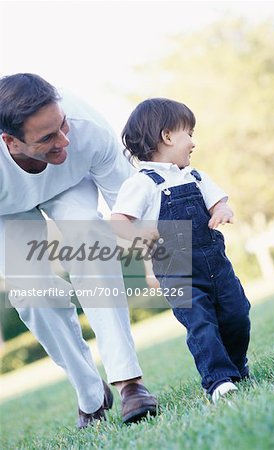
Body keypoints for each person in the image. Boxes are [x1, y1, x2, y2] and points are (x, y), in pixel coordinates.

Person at [0, 73, 158, 428]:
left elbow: (130, 208)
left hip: (70, 186)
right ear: (10, 142)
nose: (64, 140)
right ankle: (90, 394)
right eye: (48, 138)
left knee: (88, 236)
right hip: (7, 208)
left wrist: (162, 265)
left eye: (63, 125)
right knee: (32, 294)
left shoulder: (86, 131)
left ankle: (130, 383)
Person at [111, 98, 251, 403]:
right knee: (200, 322)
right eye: (189, 133)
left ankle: (237, 365)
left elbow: (218, 201)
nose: (193, 142)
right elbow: (118, 221)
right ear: (167, 136)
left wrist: (222, 210)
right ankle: (218, 380)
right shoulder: (143, 183)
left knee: (238, 313)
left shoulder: (195, 176)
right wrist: (137, 232)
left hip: (215, 262)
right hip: (175, 269)